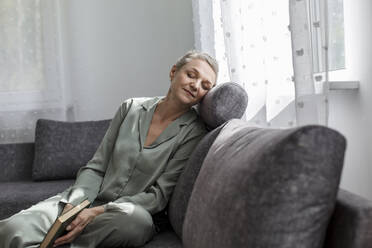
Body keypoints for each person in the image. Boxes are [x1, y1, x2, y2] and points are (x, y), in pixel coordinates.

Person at [0, 50, 218, 248]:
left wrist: (98, 211)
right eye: (192, 75)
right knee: (12, 230)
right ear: (173, 72)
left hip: (125, 214)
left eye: (205, 86)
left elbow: (159, 195)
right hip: (86, 199)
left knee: (134, 224)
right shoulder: (130, 108)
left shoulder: (194, 132)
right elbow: (97, 166)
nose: (196, 85)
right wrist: (75, 204)